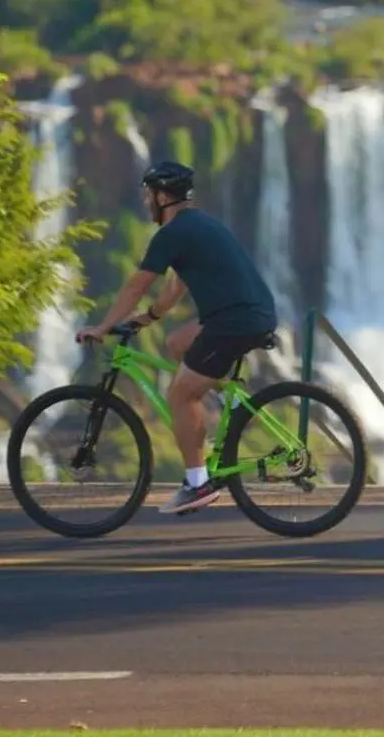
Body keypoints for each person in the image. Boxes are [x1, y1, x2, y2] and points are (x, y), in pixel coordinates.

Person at [76, 160, 279, 514]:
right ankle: (233, 402)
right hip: (248, 314)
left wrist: (104, 326)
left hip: (233, 322)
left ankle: (197, 484)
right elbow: (178, 282)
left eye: (147, 195)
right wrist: (151, 317)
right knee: (177, 344)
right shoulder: (199, 224)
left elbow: (138, 284)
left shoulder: (172, 233)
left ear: (162, 196)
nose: (145, 202)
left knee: (181, 394)